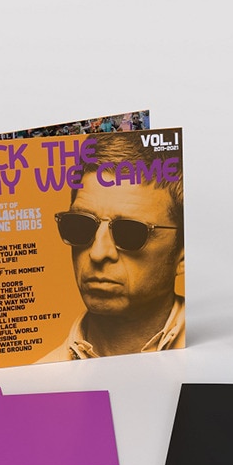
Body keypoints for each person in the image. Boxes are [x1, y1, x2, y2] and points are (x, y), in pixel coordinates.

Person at [42, 132, 185, 360]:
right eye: (80, 225)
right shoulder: (41, 376)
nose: (98, 253)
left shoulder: (219, 357)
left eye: (130, 232)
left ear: (183, 253)